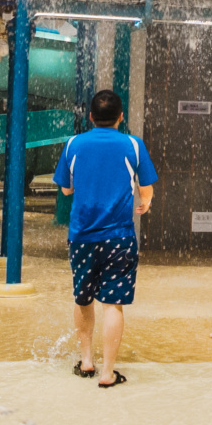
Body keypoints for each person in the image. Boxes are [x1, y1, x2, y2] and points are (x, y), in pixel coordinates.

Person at [52, 87, 154, 387]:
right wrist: (145, 203)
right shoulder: (133, 145)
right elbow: (146, 189)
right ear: (121, 117)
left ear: (91, 116)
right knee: (113, 304)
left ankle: (86, 362)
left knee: (83, 298)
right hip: (120, 236)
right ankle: (108, 373)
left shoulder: (74, 144)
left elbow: (66, 189)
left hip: (82, 235)